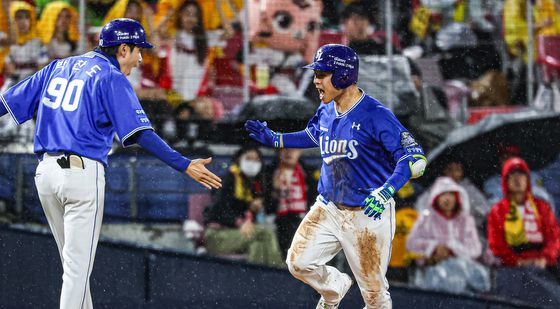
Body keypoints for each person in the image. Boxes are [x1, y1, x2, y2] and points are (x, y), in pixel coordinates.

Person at [0, 18, 222, 309]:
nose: (141, 58)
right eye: (138, 50)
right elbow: (141, 133)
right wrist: (183, 164)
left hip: (45, 175)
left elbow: (5, 103)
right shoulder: (110, 76)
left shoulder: (58, 66)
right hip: (81, 175)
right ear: (123, 48)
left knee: (74, 270)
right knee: (77, 273)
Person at [245, 44, 427, 309]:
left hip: (368, 212)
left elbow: (414, 159)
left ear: (343, 76)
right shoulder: (327, 109)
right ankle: (335, 289)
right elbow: (313, 134)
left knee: (375, 295)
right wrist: (277, 139)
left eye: (322, 73)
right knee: (298, 262)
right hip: (329, 206)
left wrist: (387, 190)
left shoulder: (376, 115)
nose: (316, 80)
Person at [203, 145, 284, 267]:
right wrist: (239, 222)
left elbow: (269, 209)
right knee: (266, 232)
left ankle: (256, 282)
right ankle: (280, 273)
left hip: (240, 235)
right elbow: (216, 211)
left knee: (257, 245)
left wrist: (276, 191)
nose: (252, 163)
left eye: (256, 160)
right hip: (217, 235)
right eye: (248, 158)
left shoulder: (255, 184)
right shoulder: (228, 179)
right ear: (238, 160)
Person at [407, 176, 488, 293]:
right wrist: (434, 248)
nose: (447, 199)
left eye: (450, 194)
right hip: (432, 276)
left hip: (463, 279)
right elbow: (411, 243)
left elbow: (475, 249)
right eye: (443, 194)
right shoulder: (426, 219)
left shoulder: (465, 220)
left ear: (457, 197)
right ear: (436, 197)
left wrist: (451, 249)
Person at [487, 157, 560, 268]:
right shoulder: (497, 211)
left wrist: (545, 258)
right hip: (513, 267)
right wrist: (516, 261)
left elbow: (554, 238)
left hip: (544, 264)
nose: (517, 179)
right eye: (512, 175)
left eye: (520, 175)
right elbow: (497, 245)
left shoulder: (542, 206)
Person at [263, 148, 318, 259]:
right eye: (285, 149)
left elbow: (316, 199)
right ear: (278, 152)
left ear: (300, 151)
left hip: (304, 218)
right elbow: (264, 205)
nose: (289, 153)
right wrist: (275, 191)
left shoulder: (310, 172)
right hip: (277, 220)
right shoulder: (267, 172)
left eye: (294, 149)